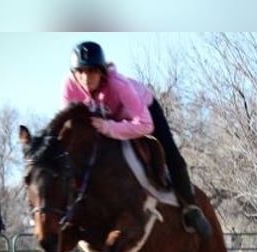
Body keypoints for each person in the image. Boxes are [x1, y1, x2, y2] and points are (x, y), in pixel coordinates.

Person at [60, 40, 212, 239]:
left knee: (170, 152)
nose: (85, 78)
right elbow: (68, 128)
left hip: (143, 113)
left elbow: (145, 125)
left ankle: (191, 209)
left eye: (91, 72)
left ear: (101, 71)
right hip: (107, 120)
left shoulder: (118, 85)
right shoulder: (68, 86)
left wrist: (110, 128)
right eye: (80, 72)